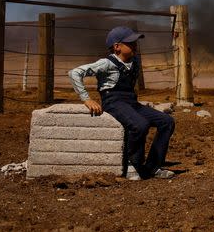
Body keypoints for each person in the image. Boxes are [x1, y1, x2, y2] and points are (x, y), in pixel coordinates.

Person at [69, 26, 176, 180]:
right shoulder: (106, 63)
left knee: (167, 121)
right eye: (130, 43)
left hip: (131, 102)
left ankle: (153, 167)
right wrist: (86, 98)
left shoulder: (135, 61)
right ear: (117, 46)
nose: (135, 46)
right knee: (140, 125)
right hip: (113, 102)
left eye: (135, 43)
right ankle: (132, 165)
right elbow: (75, 73)